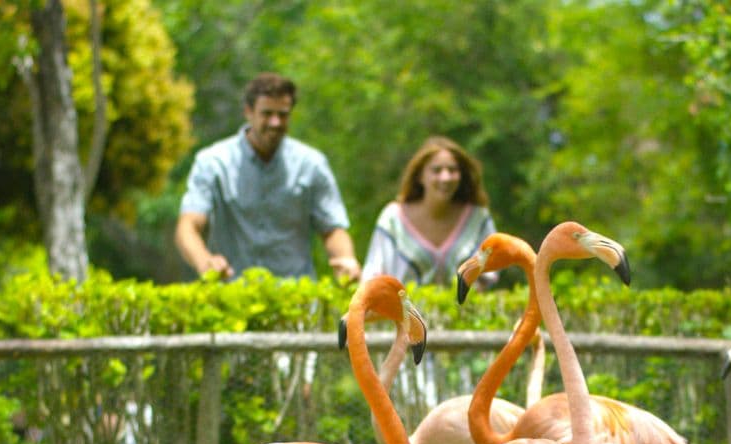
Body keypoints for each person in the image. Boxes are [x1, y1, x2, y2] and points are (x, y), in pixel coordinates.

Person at [176, 72, 361, 282]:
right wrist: (203, 261)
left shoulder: (311, 164)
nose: (275, 122)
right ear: (248, 112)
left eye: (283, 115)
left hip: (296, 298)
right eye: (267, 114)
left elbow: (332, 228)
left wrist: (346, 259)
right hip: (232, 295)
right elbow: (188, 225)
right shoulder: (213, 163)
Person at [361, 136, 496, 287]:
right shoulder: (392, 219)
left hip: (467, 310)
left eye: (452, 170)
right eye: (436, 170)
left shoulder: (478, 218)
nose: (445, 177)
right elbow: (372, 276)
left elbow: (488, 273)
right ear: (420, 176)